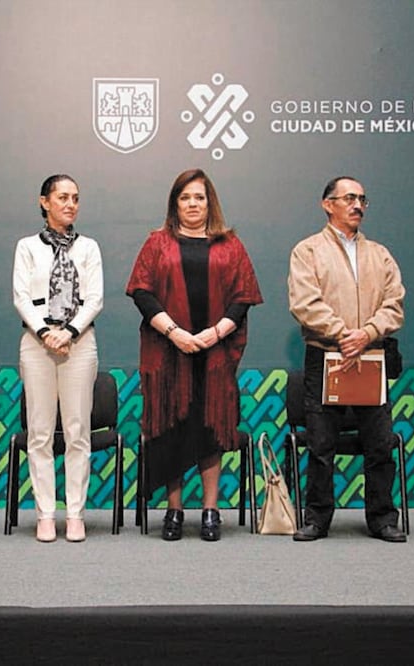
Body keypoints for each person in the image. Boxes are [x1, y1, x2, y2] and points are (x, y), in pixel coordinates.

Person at [126, 168, 262, 542]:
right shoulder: (157, 243)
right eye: (185, 197)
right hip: (169, 355)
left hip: (214, 357)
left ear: (209, 202)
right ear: (175, 203)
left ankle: (210, 510)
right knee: (171, 430)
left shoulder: (230, 244)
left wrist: (213, 334)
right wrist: (176, 333)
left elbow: (243, 298)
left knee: (210, 432)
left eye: (198, 197)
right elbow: (142, 293)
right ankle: (174, 511)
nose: (192, 204)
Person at [288, 176, 406, 542]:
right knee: (321, 444)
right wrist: (343, 335)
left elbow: (394, 303)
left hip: (372, 356)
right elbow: (304, 303)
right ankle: (317, 518)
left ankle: (383, 518)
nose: (357, 205)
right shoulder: (307, 251)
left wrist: (367, 334)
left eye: (362, 200)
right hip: (326, 357)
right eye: (349, 198)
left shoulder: (380, 253)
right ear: (328, 204)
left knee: (379, 443)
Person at [12, 174, 103, 543]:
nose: (70, 204)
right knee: (40, 432)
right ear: (44, 202)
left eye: (75, 198)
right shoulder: (27, 246)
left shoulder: (89, 248)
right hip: (37, 343)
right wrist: (46, 332)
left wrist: (70, 331)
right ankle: (46, 513)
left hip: (79, 343)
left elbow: (95, 298)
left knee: (78, 431)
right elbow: (20, 295)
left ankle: (75, 513)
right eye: (62, 197)